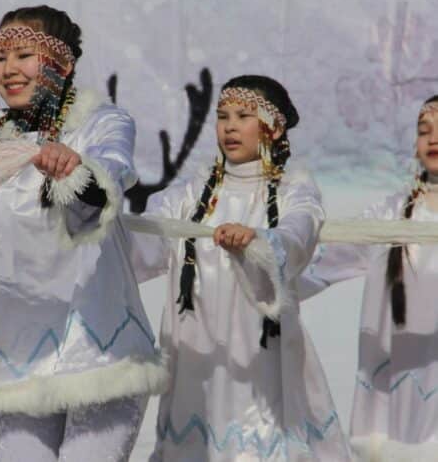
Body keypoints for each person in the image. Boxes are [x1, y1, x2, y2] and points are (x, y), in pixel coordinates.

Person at [0, 5, 168, 461]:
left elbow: (110, 176)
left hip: (97, 353)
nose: (8, 69)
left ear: (61, 63)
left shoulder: (100, 123)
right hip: (17, 359)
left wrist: (75, 169)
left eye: (24, 55)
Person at [132, 75, 351, 461]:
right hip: (196, 352)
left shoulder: (291, 190)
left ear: (274, 127)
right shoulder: (193, 193)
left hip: (259, 352)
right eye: (223, 116)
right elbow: (143, 240)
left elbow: (298, 231)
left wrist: (259, 241)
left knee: (258, 441)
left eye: (243, 116)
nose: (230, 126)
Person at [298, 95, 438, 461]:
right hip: (407, 384)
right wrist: (263, 270)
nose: (433, 139)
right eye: (424, 131)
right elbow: (323, 259)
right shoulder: (390, 215)